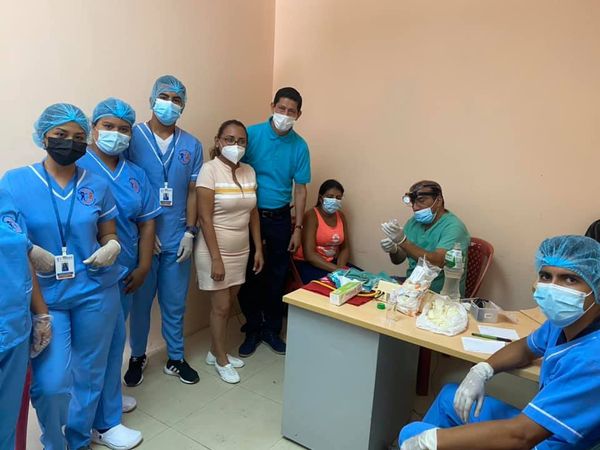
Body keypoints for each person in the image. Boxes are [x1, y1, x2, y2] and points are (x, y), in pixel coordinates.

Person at [400, 235, 600, 450]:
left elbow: (522, 436)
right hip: (543, 429)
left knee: (414, 433)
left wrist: (431, 441)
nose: (554, 288)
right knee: (449, 397)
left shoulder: (592, 359)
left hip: (550, 442)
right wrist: (482, 370)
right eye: (545, 276)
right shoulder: (566, 323)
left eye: (570, 279)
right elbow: (526, 348)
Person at [1, 103, 124, 450]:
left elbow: (108, 232)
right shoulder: (15, 182)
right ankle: (55, 442)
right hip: (46, 297)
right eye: (60, 134)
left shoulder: (97, 184)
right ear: (44, 137)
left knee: (89, 374)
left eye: (79, 137)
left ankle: (80, 440)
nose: (70, 142)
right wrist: (29, 250)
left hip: (95, 290)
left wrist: (112, 246)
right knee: (50, 385)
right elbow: (8, 237)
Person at [78, 98, 162, 449]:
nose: (116, 134)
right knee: (92, 351)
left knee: (115, 343)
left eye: (124, 129)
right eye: (108, 126)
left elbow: (147, 223)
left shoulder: (135, 174)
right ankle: (100, 422)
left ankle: (107, 401)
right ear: (94, 128)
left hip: (124, 272)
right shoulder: (77, 166)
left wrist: (143, 266)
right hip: (88, 276)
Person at [124, 75, 203, 386]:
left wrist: (190, 232)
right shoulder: (132, 138)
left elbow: (193, 192)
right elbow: (123, 188)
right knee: (140, 305)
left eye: (177, 99)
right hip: (142, 238)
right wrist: (141, 231)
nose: (170, 104)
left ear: (183, 106)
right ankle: (137, 356)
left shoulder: (192, 145)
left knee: (174, 302)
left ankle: (175, 357)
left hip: (177, 237)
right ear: (152, 99)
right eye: (165, 97)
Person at [237, 87, 311, 357]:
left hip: (280, 217)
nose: (285, 115)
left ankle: (272, 329)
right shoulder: (252, 135)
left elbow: (300, 189)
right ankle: (252, 327)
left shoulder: (300, 146)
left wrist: (298, 228)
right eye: (281, 109)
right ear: (272, 106)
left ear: (299, 114)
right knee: (249, 274)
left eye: (291, 111)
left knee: (277, 275)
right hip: (249, 215)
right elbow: (234, 168)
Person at [195, 120, 264, 383]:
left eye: (241, 141)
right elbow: (204, 218)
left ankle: (215, 350)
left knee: (229, 302)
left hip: (241, 249)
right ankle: (221, 360)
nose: (236, 145)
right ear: (218, 141)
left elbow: (253, 213)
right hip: (214, 249)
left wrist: (258, 248)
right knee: (221, 307)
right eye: (229, 139)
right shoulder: (209, 170)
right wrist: (216, 258)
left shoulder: (249, 171)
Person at [0, 188, 52, 449]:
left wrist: (41, 313)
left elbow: (23, 255)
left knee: (8, 424)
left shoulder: (4, 198)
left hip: (15, 329)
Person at [380, 180, 470, 294]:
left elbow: (437, 262)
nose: (415, 207)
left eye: (421, 201)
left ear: (438, 200)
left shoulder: (453, 227)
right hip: (413, 288)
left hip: (439, 294)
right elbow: (399, 260)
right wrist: (394, 250)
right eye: (413, 202)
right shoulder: (413, 223)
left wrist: (403, 241)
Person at [294, 179, 350, 283]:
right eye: (330, 197)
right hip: (309, 264)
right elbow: (310, 255)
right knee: (332, 286)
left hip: (332, 263)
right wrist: (337, 270)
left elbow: (345, 248)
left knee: (359, 280)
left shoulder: (341, 216)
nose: (334, 200)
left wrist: (341, 268)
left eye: (338, 198)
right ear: (321, 198)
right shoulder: (311, 215)